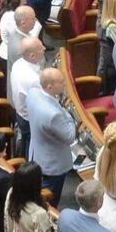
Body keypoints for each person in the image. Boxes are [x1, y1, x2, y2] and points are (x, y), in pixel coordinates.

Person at [27, 66, 76, 200]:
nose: (65, 83)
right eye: (61, 82)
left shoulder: (33, 93)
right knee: (51, 198)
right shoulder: (53, 115)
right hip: (53, 163)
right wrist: (68, 114)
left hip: (37, 152)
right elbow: (70, 136)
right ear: (49, 87)